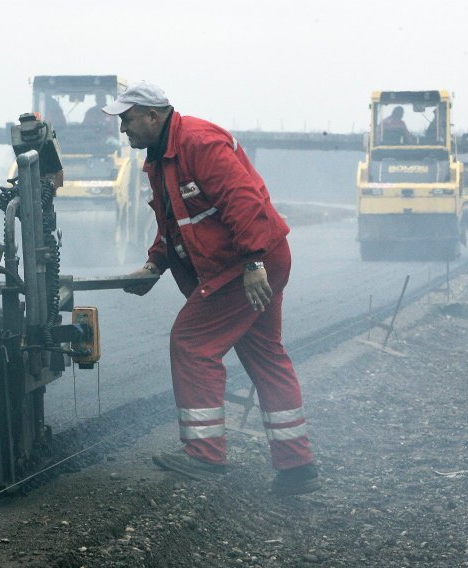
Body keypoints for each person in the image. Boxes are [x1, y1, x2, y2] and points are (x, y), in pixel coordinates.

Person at [103, 82, 320, 496]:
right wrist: (155, 262)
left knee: (192, 342)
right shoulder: (161, 160)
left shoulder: (199, 143)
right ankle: (297, 465)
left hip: (249, 265)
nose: (123, 129)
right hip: (252, 261)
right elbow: (175, 222)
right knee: (265, 354)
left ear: (154, 116)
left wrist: (254, 262)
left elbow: (244, 200)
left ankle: (204, 454)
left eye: (127, 119)